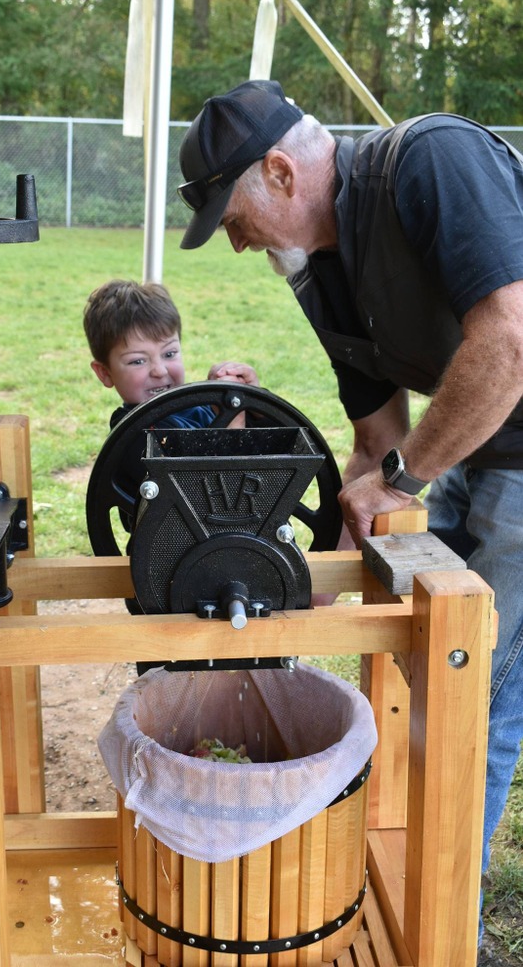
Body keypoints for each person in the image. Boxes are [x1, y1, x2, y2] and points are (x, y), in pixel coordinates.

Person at [177, 79, 523, 948]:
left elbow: (511, 339)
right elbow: (373, 450)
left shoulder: (430, 160)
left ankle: (447, 927)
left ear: (282, 172)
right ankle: (411, 872)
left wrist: (404, 476)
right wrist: (304, 601)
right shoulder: (318, 271)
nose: (234, 241)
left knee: (473, 686)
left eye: (232, 216)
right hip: (478, 444)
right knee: (422, 678)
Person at [83, 278, 259, 501]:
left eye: (169, 354)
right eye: (138, 361)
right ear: (105, 373)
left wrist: (252, 404)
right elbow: (205, 501)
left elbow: (287, 454)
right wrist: (231, 424)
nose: (159, 370)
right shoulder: (129, 437)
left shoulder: (205, 408)